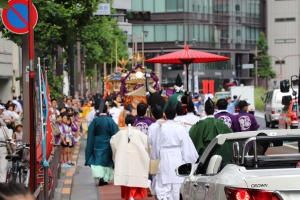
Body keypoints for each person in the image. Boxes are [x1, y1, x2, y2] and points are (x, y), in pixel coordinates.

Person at [154, 103, 198, 200]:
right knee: (177, 186)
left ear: (164, 115)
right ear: (175, 115)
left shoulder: (161, 128)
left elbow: (156, 146)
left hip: (164, 157)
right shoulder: (180, 128)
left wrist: (156, 157)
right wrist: (189, 161)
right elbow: (187, 147)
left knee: (164, 186)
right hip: (177, 157)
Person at [110, 115, 150, 200]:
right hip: (138, 159)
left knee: (126, 177)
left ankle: (129, 196)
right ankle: (134, 195)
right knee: (137, 176)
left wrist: (115, 156)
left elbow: (112, 143)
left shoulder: (120, 134)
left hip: (124, 159)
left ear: (125, 122)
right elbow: (148, 146)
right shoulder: (140, 134)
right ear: (134, 122)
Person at [85, 104, 119, 186]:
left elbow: (91, 133)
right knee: (107, 161)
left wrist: (90, 144)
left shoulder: (95, 121)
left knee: (98, 161)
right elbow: (115, 132)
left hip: (97, 143)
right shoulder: (110, 120)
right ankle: (105, 178)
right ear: (106, 110)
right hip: (108, 143)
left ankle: (100, 176)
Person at [147, 104, 165, 198]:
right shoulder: (168, 125)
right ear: (163, 114)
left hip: (155, 159)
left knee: (156, 183)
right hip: (168, 158)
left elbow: (148, 142)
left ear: (152, 116)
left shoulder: (152, 127)